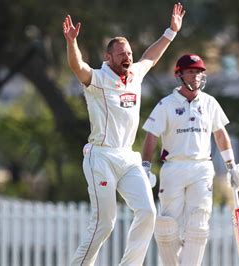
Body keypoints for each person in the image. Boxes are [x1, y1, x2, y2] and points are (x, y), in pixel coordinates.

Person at [62, 3, 185, 266]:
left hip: (128, 157)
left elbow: (151, 57)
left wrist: (171, 32)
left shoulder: (135, 75)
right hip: (101, 156)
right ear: (109, 58)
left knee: (147, 212)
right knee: (104, 223)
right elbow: (77, 66)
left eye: (129, 53)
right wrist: (72, 42)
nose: (127, 57)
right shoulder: (97, 79)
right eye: (121, 54)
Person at [141, 54, 239, 266]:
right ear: (179, 74)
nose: (196, 76)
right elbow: (151, 136)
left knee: (198, 224)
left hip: (201, 167)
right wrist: (145, 166)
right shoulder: (166, 104)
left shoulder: (209, 103)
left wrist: (231, 166)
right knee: (167, 225)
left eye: (199, 72)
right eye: (191, 72)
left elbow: (220, 134)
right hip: (173, 167)